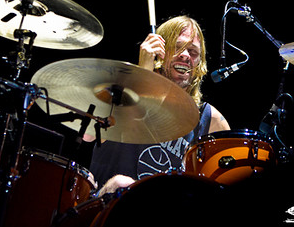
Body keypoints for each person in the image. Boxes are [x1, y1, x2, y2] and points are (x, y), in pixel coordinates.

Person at [86, 15, 231, 195]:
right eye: (177, 47)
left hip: (162, 215)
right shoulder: (121, 86)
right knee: (121, 183)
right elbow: (88, 134)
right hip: (108, 208)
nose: (186, 55)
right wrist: (142, 76)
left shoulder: (211, 120)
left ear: (199, 63)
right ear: (159, 51)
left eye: (193, 52)